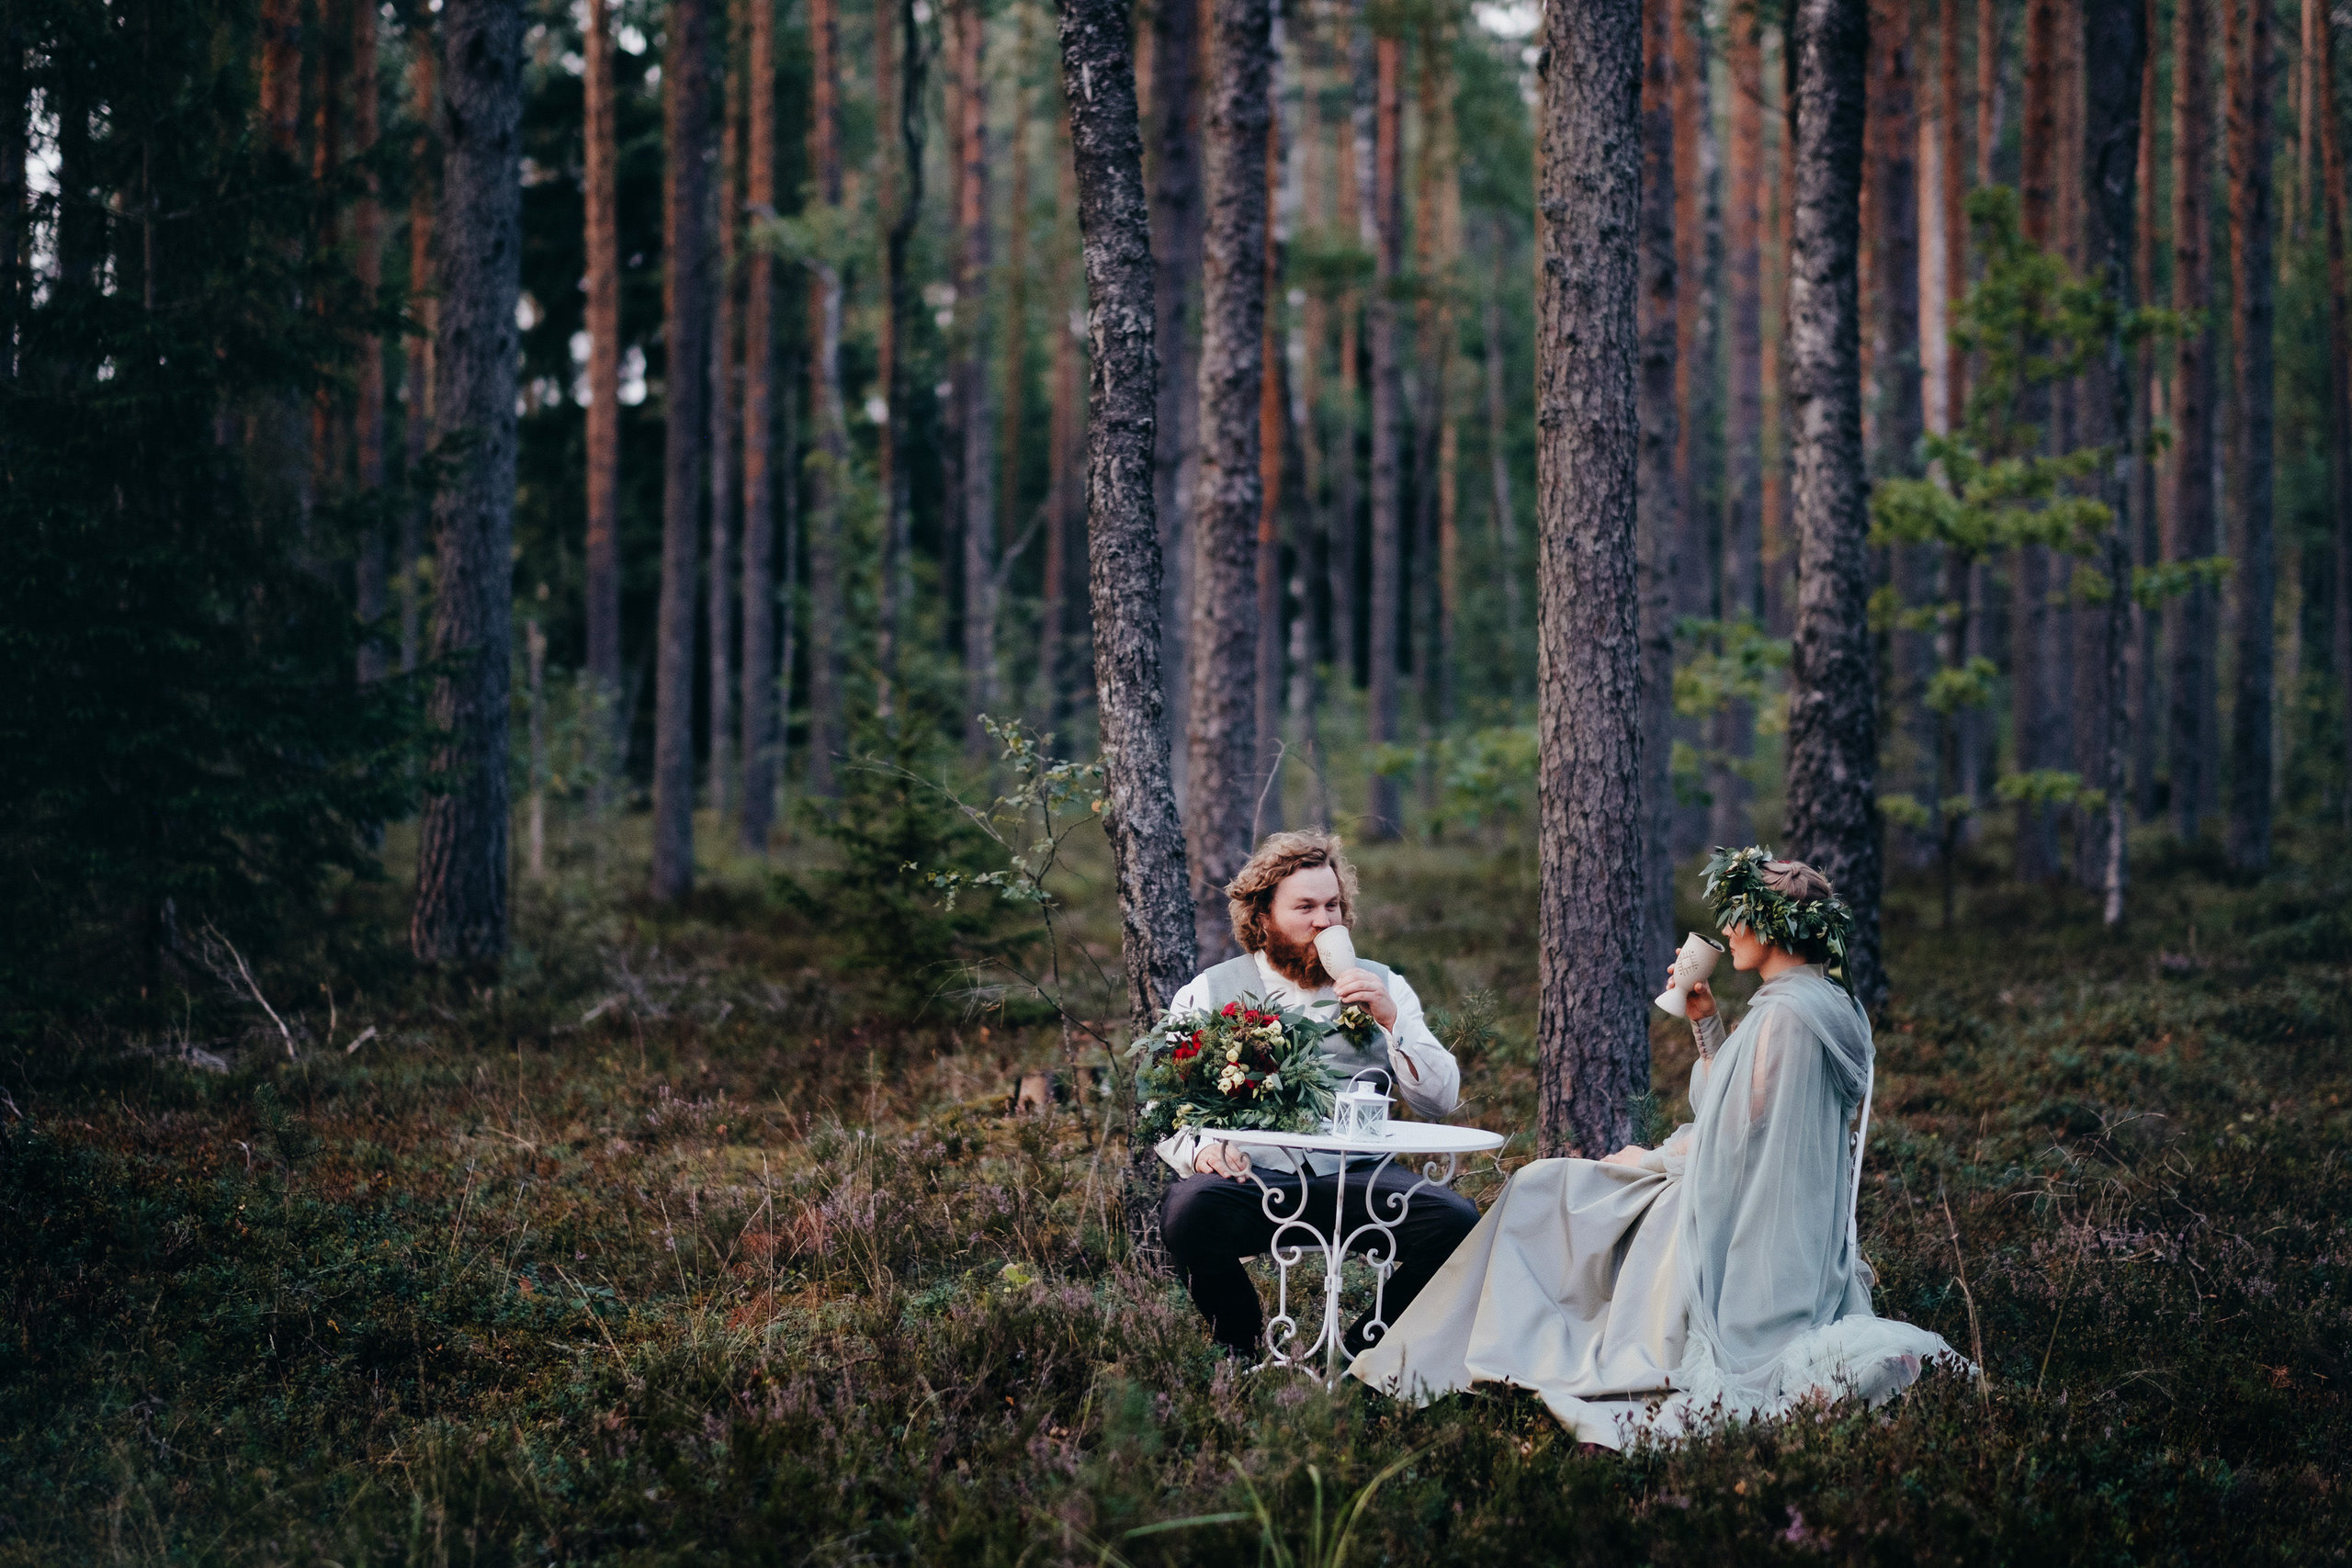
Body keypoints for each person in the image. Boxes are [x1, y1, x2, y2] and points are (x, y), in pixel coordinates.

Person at [1349, 847, 1962, 1447]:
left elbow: (1737, 1139)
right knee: (1555, 1183)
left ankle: (1486, 1350)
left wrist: (1647, 1160)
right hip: (1769, 1199)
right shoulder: (1823, 1003)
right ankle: (1477, 1343)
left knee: (1542, 1186)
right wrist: (1706, 1020)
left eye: (1739, 915)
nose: (1727, 929)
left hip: (1743, 1217)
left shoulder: (1787, 1016)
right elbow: (1750, 1115)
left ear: (1771, 927)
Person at [1157, 830, 1480, 1360]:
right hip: (1257, 1181)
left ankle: (1361, 1359)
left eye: (1332, 905)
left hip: (1362, 1178)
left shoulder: (1383, 984)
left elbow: (1439, 1101)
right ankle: (1239, 1348)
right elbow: (1163, 1108)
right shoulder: (1208, 991)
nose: (1323, 921)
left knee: (1456, 1224)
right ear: (1263, 917)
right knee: (1186, 1210)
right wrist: (1202, 1152)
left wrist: (1392, 1021)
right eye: (1304, 907)